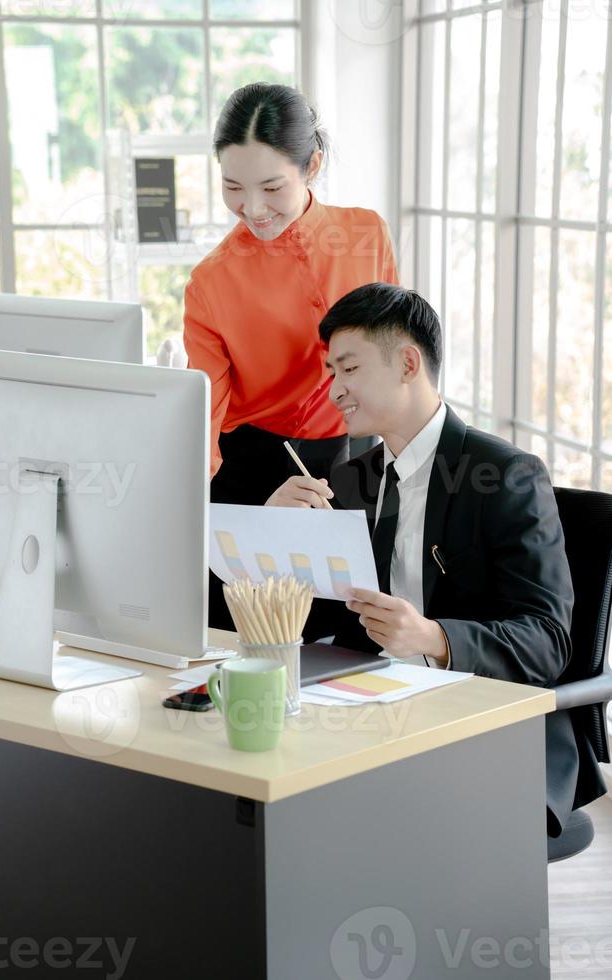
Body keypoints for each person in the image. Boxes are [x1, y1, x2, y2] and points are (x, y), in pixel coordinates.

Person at [267, 281, 606, 838]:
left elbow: (547, 640)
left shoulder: (504, 475)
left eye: (347, 370)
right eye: (331, 373)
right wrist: (280, 537)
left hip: (480, 718)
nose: (334, 391)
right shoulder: (352, 477)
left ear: (406, 363)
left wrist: (434, 638)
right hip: (372, 706)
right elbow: (322, 620)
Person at [183, 82, 397, 627]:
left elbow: (396, 359)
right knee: (256, 641)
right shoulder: (212, 281)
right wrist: (246, 521)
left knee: (353, 638)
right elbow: (201, 424)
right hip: (252, 472)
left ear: (313, 165)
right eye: (232, 187)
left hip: (354, 458)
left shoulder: (367, 234)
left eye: (271, 187)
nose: (251, 209)